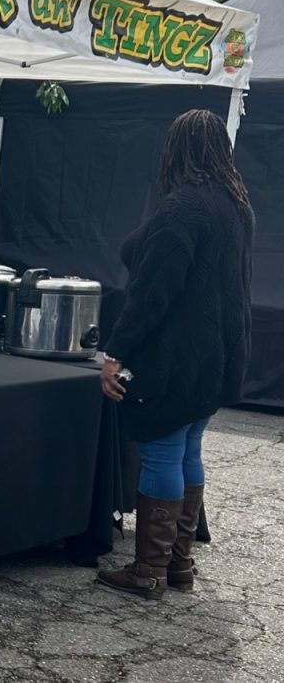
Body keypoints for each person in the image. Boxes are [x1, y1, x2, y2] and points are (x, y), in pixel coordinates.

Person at [97, 109, 253, 600]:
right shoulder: (236, 205)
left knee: (164, 451)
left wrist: (115, 353)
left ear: (177, 150)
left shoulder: (183, 207)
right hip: (218, 356)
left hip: (177, 358)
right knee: (187, 450)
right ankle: (178, 565)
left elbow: (150, 293)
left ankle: (148, 570)